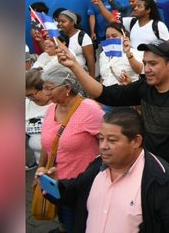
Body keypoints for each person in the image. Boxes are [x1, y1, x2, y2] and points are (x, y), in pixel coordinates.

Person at [55, 40, 169, 232]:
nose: (146, 69)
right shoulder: (144, 88)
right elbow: (104, 94)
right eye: (145, 63)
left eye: (153, 64)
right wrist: (73, 65)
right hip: (152, 178)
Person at [44, 108, 169, 232]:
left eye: (112, 140)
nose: (103, 146)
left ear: (136, 141)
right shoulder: (96, 167)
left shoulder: (162, 180)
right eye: (101, 138)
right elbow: (74, 194)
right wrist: (54, 185)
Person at [35, 64, 104, 232]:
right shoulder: (51, 109)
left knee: (80, 225)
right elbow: (49, 144)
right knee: (65, 222)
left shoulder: (90, 110)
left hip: (82, 187)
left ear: (67, 87)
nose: (46, 93)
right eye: (44, 88)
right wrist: (40, 168)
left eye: (50, 88)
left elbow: (108, 144)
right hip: (56, 185)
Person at [97, 22, 143, 88]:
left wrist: (128, 53)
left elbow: (139, 70)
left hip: (125, 93)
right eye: (107, 37)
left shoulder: (133, 52)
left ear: (124, 36)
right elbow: (103, 77)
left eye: (114, 36)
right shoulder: (103, 54)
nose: (110, 39)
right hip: (106, 94)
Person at [57, 10, 96, 78]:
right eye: (58, 21)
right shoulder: (57, 36)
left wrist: (92, 79)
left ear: (72, 22)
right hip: (61, 76)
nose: (59, 24)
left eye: (63, 21)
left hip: (79, 75)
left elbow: (90, 59)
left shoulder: (82, 36)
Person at [25, 68, 52, 170]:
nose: (30, 98)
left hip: (60, 163)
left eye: (31, 95)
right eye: (27, 96)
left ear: (44, 88)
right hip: (40, 164)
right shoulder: (26, 105)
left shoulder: (58, 103)